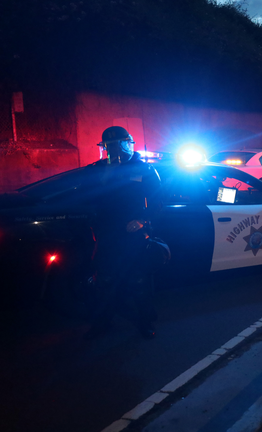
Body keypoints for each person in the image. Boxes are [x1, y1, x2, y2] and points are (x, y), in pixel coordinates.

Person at [85, 126, 162, 339]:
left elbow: (157, 202)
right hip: (107, 233)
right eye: (110, 146)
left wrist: (142, 220)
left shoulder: (144, 170)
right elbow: (90, 197)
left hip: (132, 234)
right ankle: (102, 322)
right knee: (105, 280)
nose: (114, 150)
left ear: (128, 144)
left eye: (119, 144)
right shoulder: (100, 169)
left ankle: (146, 322)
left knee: (139, 281)